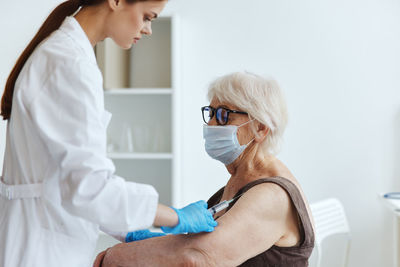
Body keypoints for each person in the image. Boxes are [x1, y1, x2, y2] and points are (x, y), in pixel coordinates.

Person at [0, 1, 217, 266]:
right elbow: (88, 188)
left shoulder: (69, 55)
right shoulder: (69, 63)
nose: (148, 29)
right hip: (40, 251)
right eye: (147, 17)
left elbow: (68, 181)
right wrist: (174, 216)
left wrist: (127, 228)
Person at [94, 72, 315, 267]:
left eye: (223, 115)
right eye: (211, 113)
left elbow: (197, 258)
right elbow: (197, 245)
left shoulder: (272, 196)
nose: (210, 126)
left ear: (260, 128)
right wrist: (147, 240)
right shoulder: (242, 178)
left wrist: (116, 258)